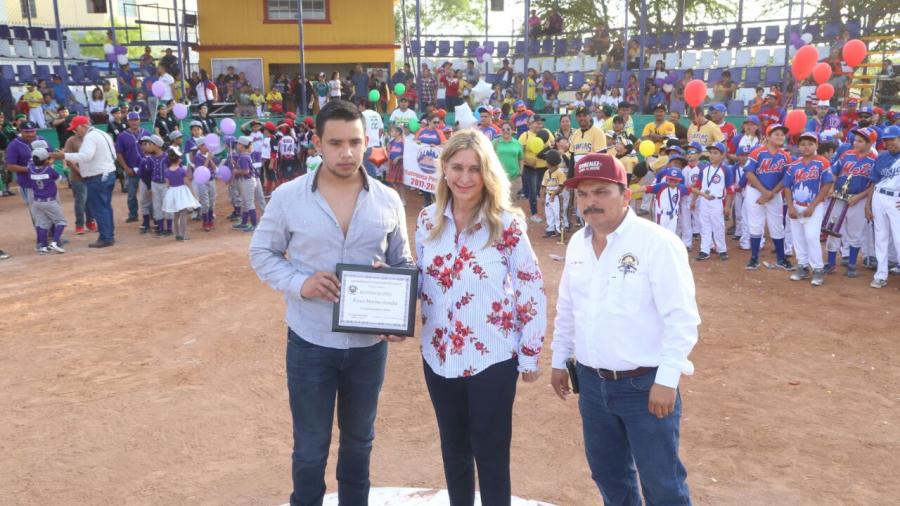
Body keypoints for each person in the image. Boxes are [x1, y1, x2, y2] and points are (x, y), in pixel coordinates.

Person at [249, 99, 413, 506]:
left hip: (368, 347)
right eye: (336, 142)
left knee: (359, 444)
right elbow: (262, 253)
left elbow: (403, 263)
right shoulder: (288, 197)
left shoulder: (388, 200)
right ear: (318, 144)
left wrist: (397, 312)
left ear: (367, 141)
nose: (347, 152)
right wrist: (300, 283)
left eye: (355, 142)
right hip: (310, 341)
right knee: (309, 447)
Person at [551, 152, 699, 506]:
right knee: (609, 476)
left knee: (662, 483)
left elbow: (681, 317)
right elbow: (568, 306)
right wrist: (559, 359)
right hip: (590, 382)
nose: (591, 203)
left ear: (626, 195)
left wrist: (667, 379)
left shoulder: (657, 243)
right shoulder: (577, 243)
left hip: (645, 386)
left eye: (601, 192)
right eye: (583, 195)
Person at [415, 129, 545, 506]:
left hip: (492, 357)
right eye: (456, 167)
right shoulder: (427, 220)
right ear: (443, 169)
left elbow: (530, 287)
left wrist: (530, 352)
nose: (464, 178)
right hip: (438, 356)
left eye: (474, 169)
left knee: (490, 457)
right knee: (453, 452)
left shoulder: (506, 224)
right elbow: (421, 280)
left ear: (488, 172)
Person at [54, 116, 118, 248]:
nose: (75, 132)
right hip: (108, 173)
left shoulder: (90, 137)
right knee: (105, 206)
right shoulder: (102, 133)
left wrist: (64, 156)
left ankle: (106, 237)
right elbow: (114, 154)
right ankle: (109, 235)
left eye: (75, 129)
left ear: (81, 127)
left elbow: (84, 156)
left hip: (98, 176)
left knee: (100, 207)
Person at [824, 127, 876, 277]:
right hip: (838, 198)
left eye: (860, 141)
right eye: (855, 139)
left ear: (870, 143)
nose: (855, 142)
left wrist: (859, 197)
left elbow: (873, 184)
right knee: (832, 230)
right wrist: (831, 187)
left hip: (858, 201)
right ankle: (831, 263)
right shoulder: (846, 154)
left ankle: (852, 265)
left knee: (855, 232)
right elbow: (834, 173)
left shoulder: (874, 159)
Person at [784, 132, 834, 286]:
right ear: (798, 147)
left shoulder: (822, 162)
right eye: (803, 144)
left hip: (814, 205)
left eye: (810, 144)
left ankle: (817, 269)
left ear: (816, 146)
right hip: (796, 204)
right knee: (798, 237)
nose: (806, 147)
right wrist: (790, 206)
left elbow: (826, 185)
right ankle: (802, 266)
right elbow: (787, 187)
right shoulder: (793, 165)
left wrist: (812, 206)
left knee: (811, 236)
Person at [743, 124, 793, 270]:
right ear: (768, 137)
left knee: (777, 225)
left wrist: (771, 193)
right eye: (776, 134)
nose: (780, 137)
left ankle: (781, 258)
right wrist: (764, 192)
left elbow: (786, 178)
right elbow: (749, 173)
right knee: (755, 224)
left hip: (774, 193)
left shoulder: (786, 156)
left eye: (782, 134)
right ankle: (754, 258)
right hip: (755, 191)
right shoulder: (757, 152)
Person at [866, 125, 900, 288]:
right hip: (879, 197)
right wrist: (868, 205)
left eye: (892, 139)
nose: (889, 143)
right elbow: (874, 181)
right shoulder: (881, 157)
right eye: (886, 140)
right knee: (880, 237)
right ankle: (880, 274)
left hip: (896, 200)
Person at [689, 143, 733, 261]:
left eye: (715, 153)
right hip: (704, 200)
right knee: (704, 225)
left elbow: (729, 190)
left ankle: (722, 249)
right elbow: (698, 186)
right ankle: (705, 250)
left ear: (722, 155)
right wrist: (694, 200)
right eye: (711, 153)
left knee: (718, 225)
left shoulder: (726, 170)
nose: (712, 156)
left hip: (717, 201)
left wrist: (727, 206)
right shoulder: (704, 169)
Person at [27, 147, 67, 254]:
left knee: (42, 224)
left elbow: (35, 164)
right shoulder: (49, 169)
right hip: (49, 201)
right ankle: (54, 242)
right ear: (45, 160)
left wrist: (46, 162)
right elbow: (59, 178)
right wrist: (51, 163)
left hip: (36, 202)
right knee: (61, 221)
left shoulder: (30, 168)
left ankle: (42, 247)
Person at [116, 111, 151, 226]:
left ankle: (151, 214)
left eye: (136, 119)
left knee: (148, 192)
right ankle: (133, 214)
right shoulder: (122, 136)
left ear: (139, 120)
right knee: (131, 194)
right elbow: (119, 153)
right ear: (128, 121)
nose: (134, 122)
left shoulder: (146, 133)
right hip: (131, 168)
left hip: (146, 168)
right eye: (132, 120)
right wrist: (125, 168)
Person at [159, 146, 199, 241]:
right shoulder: (182, 171)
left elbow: (168, 184)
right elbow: (187, 182)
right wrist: (193, 194)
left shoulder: (167, 171)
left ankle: (177, 234)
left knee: (176, 215)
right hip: (182, 192)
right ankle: (183, 234)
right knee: (183, 215)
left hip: (172, 191)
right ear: (178, 160)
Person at [519, 115, 554, 222]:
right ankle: (534, 214)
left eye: (540, 123)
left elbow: (553, 145)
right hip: (531, 168)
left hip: (545, 168)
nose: (539, 125)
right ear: (530, 124)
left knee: (547, 190)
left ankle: (550, 213)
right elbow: (520, 152)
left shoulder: (546, 132)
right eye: (537, 123)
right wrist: (526, 161)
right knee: (533, 192)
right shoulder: (525, 135)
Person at [644, 163, 689, 233]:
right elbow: (646, 188)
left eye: (675, 180)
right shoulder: (661, 186)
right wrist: (632, 191)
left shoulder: (680, 187)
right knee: (660, 234)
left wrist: (704, 194)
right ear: (667, 179)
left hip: (673, 216)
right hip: (662, 215)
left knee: (671, 234)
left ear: (679, 181)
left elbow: (691, 189)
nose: (673, 182)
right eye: (671, 179)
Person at [542, 149, 567, 237]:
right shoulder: (546, 172)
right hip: (548, 196)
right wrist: (543, 197)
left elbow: (561, 185)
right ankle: (550, 229)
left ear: (549, 162)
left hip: (557, 197)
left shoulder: (560, 173)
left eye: (546, 160)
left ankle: (560, 231)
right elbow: (544, 186)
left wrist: (554, 194)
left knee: (557, 213)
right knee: (549, 213)